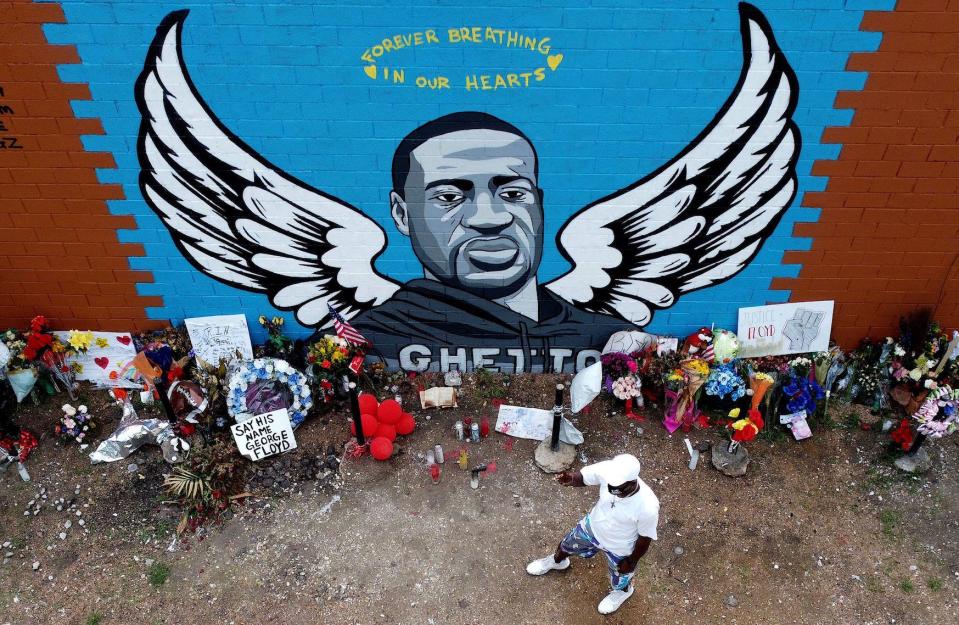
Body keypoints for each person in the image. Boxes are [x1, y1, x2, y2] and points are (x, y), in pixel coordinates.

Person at [350, 112, 633, 373]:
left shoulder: (600, 336)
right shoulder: (377, 337)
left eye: (513, 194)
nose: (489, 218)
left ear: (539, 204)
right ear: (402, 215)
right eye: (449, 197)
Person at [526, 454, 659, 615]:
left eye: (616, 488)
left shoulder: (648, 507)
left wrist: (631, 561)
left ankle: (622, 591)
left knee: (621, 575)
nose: (611, 489)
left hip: (620, 546)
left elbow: (645, 539)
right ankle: (557, 562)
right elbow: (583, 477)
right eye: (610, 485)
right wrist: (571, 479)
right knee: (565, 545)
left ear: (631, 484)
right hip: (592, 528)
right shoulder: (609, 470)